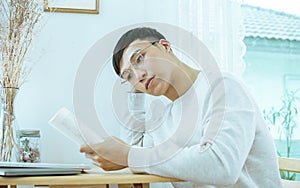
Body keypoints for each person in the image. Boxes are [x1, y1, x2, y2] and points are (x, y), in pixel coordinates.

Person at [80, 27, 282, 188]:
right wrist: (136, 97)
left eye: (139, 59)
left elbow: (221, 166)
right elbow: (141, 155)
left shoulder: (223, 87)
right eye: (129, 76)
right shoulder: (164, 119)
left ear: (165, 46)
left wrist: (129, 155)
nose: (138, 76)